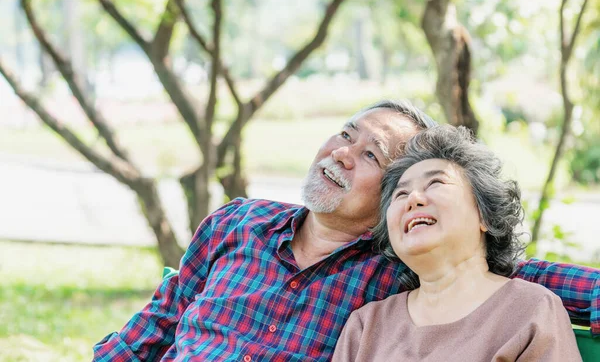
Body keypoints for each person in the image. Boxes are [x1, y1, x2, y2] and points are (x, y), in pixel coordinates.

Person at [93, 100, 599, 362]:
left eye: (371, 155)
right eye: (345, 133)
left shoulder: (393, 270)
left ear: (392, 197)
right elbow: (155, 327)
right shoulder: (236, 222)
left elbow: (481, 264)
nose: (342, 153)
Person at [332, 125, 582, 361]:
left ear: (484, 214)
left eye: (436, 183)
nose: (414, 199)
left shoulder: (531, 309)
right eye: (401, 194)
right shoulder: (366, 325)